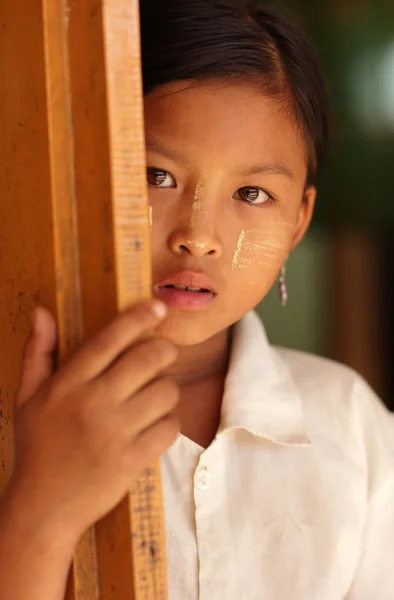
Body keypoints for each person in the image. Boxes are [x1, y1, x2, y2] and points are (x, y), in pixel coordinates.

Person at [1, 1, 393, 598]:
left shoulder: (349, 424)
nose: (199, 236)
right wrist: (41, 514)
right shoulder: (21, 415)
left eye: (253, 193)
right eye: (157, 176)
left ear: (298, 222)